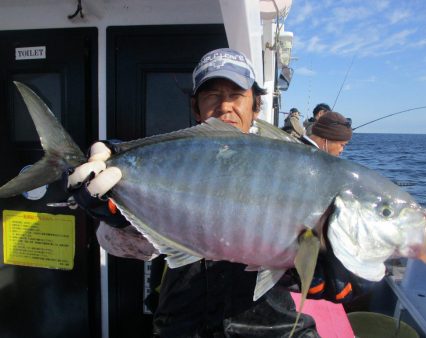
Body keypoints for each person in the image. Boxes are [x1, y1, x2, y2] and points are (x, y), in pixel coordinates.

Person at [67, 48, 367, 337]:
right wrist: (121, 217)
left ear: (256, 105)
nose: (225, 106)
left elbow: (333, 258)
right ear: (196, 107)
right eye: (212, 95)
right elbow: (120, 246)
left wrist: (333, 266)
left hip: (268, 326)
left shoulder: (295, 165)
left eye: (236, 95)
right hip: (184, 323)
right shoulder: (171, 158)